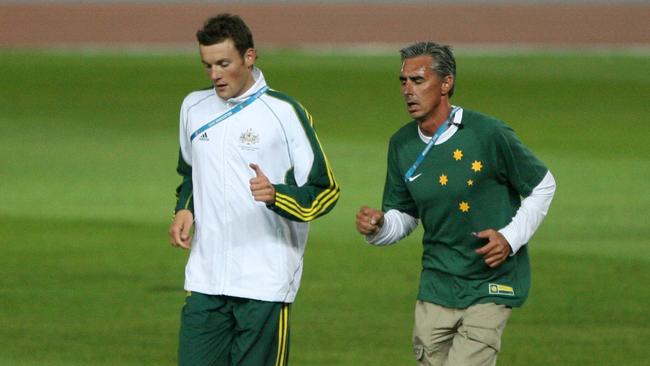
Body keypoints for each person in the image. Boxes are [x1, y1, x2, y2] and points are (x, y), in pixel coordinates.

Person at [355, 42, 556, 366]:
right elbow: (404, 215)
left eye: (418, 80)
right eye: (403, 81)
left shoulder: (488, 134)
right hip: (436, 283)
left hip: (490, 282)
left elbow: (543, 185)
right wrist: (379, 227)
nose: (408, 90)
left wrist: (510, 238)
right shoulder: (402, 144)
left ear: (446, 83)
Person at [168, 13, 339, 366]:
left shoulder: (284, 112)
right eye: (208, 65)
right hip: (206, 279)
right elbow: (190, 171)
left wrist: (278, 196)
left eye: (223, 63)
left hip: (264, 281)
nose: (215, 74)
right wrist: (185, 208)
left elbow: (325, 190)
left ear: (249, 57)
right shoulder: (193, 108)